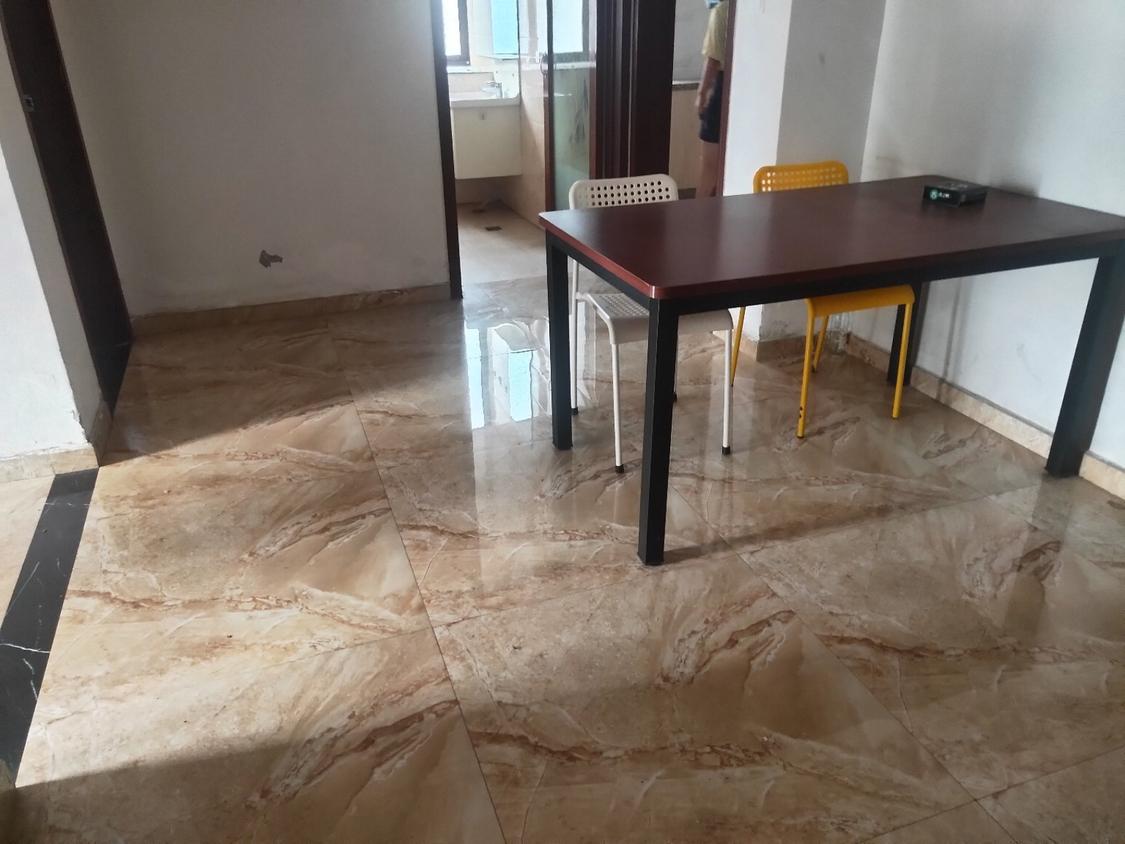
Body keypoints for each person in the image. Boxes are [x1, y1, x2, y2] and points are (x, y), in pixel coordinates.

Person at [696, 0, 728, 198]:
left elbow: (713, 60)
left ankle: (699, 213)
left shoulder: (721, 10)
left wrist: (701, 95)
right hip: (745, 86)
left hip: (722, 87)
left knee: (709, 167)